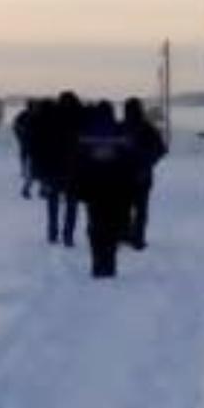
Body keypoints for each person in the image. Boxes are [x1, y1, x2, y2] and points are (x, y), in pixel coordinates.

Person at [72, 100, 140, 279]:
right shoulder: (120, 132)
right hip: (116, 188)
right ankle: (109, 265)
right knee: (112, 227)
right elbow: (130, 161)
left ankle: (97, 264)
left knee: (95, 225)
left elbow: (79, 161)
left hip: (93, 188)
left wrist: (78, 187)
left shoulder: (86, 133)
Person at [28, 91, 83, 246]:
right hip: (73, 169)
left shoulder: (50, 118)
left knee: (53, 202)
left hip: (53, 168)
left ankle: (52, 233)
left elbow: (39, 144)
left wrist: (40, 167)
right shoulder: (79, 119)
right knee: (72, 204)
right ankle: (68, 236)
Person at [120, 96, 167, 250]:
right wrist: (149, 162)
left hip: (122, 177)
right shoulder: (147, 128)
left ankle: (124, 234)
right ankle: (138, 239)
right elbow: (161, 149)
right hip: (143, 176)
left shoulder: (120, 128)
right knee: (141, 210)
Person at [12, 98, 42, 198]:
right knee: (30, 161)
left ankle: (31, 185)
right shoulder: (25, 115)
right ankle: (25, 174)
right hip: (28, 143)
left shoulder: (33, 116)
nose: (36, 108)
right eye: (34, 106)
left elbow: (16, 126)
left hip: (31, 144)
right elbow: (16, 126)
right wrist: (20, 137)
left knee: (35, 165)